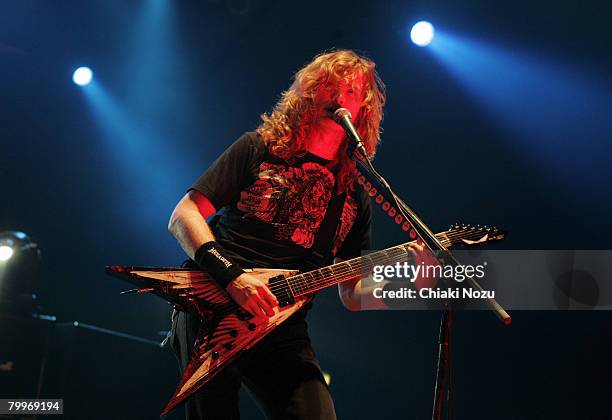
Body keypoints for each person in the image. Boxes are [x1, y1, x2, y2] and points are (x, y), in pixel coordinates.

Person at [167, 49, 387, 420]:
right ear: (308, 93)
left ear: (364, 109)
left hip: (282, 328)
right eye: (329, 86)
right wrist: (233, 276)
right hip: (211, 303)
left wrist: (412, 284)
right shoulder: (258, 148)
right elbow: (183, 214)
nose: (338, 97)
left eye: (350, 91)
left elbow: (352, 294)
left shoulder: (354, 195)